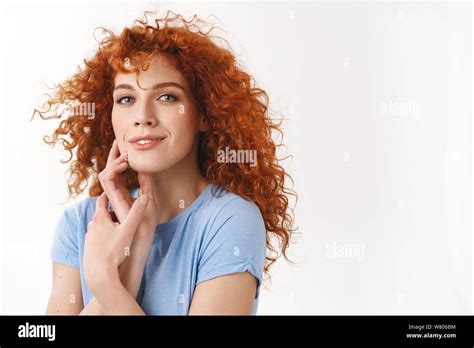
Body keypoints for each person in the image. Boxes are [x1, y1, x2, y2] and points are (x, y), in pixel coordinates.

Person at [37, 11, 296, 315]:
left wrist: (106, 280)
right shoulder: (80, 223)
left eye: (167, 97)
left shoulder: (229, 220)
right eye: (126, 99)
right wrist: (133, 261)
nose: (142, 116)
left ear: (203, 114)